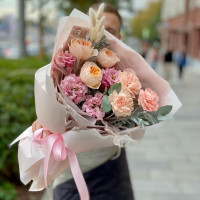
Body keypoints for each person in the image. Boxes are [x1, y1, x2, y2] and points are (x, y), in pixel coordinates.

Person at [33, 3, 134, 200]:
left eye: (110, 31)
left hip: (110, 171)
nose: (103, 35)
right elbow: (48, 104)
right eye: (99, 28)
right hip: (71, 173)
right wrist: (43, 123)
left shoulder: (128, 75)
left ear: (120, 38)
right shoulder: (65, 64)